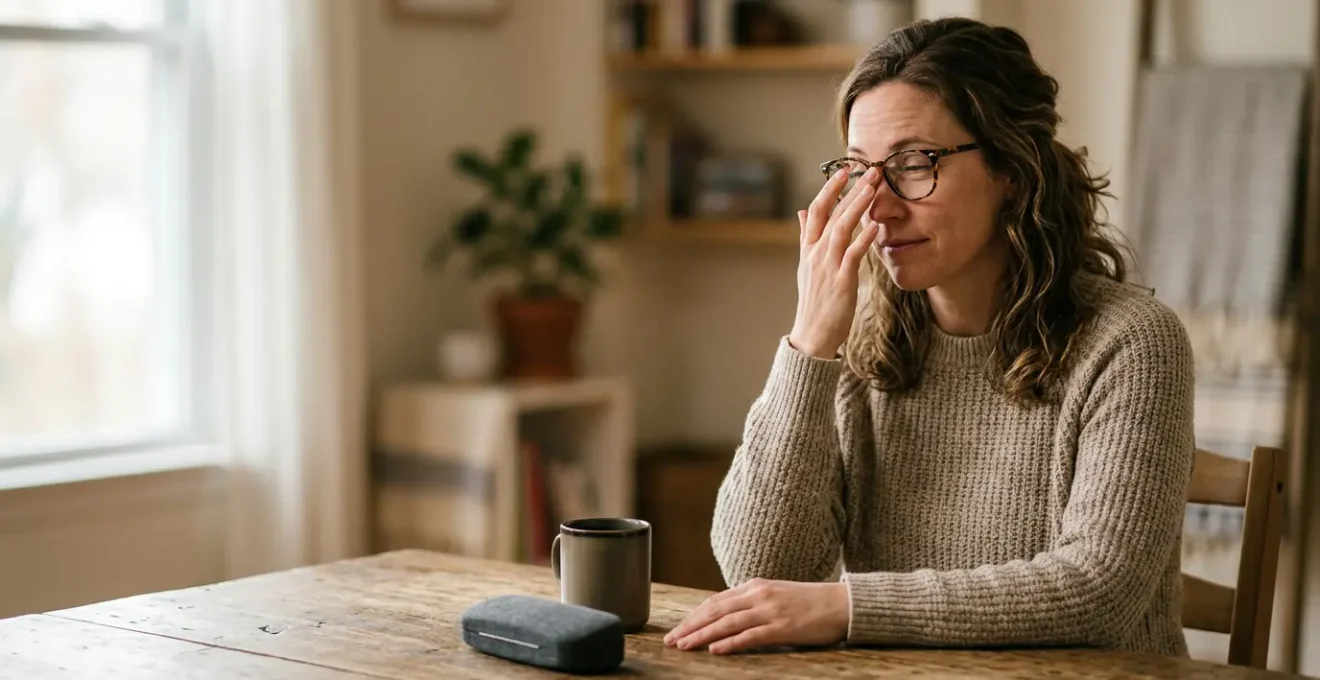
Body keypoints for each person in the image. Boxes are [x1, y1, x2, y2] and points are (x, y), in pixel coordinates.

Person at [662, 16, 1195, 658]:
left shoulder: (1132, 343)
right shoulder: (862, 346)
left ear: (1013, 171)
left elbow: (1097, 590)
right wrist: (809, 344)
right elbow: (762, 568)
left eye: (914, 163)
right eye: (860, 170)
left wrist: (846, 605)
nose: (878, 204)